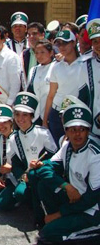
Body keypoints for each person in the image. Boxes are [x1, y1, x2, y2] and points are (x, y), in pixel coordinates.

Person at [33, 104, 100, 244]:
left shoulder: (95, 156)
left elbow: (91, 199)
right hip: (74, 200)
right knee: (43, 184)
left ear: (88, 131)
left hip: (91, 211)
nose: (77, 134)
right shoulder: (67, 147)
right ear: (66, 131)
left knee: (47, 235)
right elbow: (45, 169)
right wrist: (67, 187)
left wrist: (59, 214)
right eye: (73, 129)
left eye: (82, 130)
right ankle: (60, 223)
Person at [9, 92, 57, 212]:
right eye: (17, 114)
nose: (20, 119)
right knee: (19, 193)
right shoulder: (13, 137)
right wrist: (22, 176)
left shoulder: (43, 133)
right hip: (26, 176)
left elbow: (54, 157)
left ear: (32, 116)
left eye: (25, 115)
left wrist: (43, 164)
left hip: (42, 175)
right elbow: (15, 163)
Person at [43, 30, 83, 144]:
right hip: (56, 113)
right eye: (58, 44)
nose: (61, 47)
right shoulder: (56, 67)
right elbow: (51, 94)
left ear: (74, 43)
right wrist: (45, 120)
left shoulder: (84, 64)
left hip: (76, 113)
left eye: (65, 43)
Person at [0, 27, 21, 106]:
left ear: (3, 39)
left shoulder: (11, 57)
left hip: (6, 104)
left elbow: (15, 84)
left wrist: (9, 103)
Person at [26, 39, 56, 125]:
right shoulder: (33, 70)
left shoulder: (57, 67)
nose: (39, 56)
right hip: (35, 115)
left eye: (42, 52)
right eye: (36, 53)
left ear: (51, 53)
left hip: (51, 115)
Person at [78, 19, 100, 137]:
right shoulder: (86, 64)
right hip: (92, 124)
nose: (98, 45)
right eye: (95, 41)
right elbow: (83, 95)